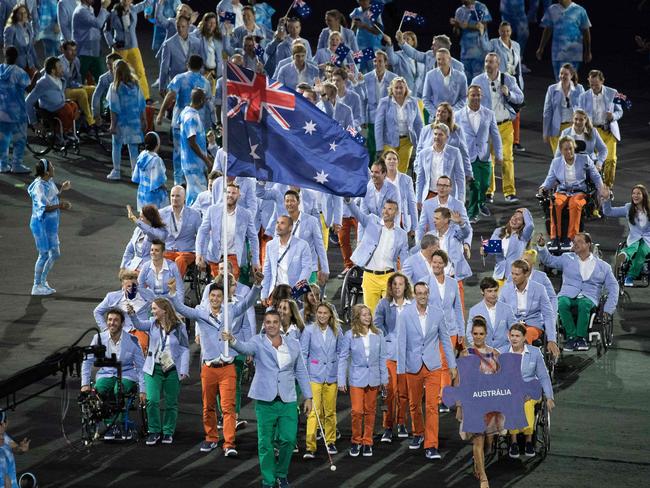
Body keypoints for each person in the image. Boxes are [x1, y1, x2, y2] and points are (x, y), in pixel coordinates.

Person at [168, 270, 261, 455]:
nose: (216, 298)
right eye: (213, 295)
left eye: (219, 296)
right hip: (208, 367)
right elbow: (182, 309)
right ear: (209, 296)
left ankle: (229, 443)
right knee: (208, 406)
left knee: (228, 408)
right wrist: (172, 294)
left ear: (223, 298)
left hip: (227, 367)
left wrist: (257, 286)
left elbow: (247, 302)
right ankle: (211, 438)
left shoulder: (230, 310)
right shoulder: (201, 313)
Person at [223, 309, 313, 488]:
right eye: (268, 322)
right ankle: (268, 480)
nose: (271, 325)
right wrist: (232, 340)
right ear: (264, 324)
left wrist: (308, 396)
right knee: (265, 443)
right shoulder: (257, 342)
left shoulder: (293, 344)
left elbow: (301, 371)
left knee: (288, 439)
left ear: (280, 324)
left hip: (287, 399)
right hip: (265, 400)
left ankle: (281, 474)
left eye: (275, 322)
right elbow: (244, 348)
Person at [397, 281, 457, 459]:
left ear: (428, 294)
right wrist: (400, 370)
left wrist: (452, 365)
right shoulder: (405, 315)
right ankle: (418, 433)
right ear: (414, 294)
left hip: (433, 366)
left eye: (425, 293)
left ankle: (431, 445)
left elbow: (445, 341)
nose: (422, 296)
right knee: (414, 404)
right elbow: (401, 343)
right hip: (412, 365)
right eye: (419, 293)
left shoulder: (438, 314)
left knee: (432, 406)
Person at [537, 232, 618, 351]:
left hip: (589, 297)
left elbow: (614, 287)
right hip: (567, 294)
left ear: (588, 244)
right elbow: (549, 261)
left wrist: (608, 309)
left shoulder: (603, 266)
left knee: (584, 304)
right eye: (574, 242)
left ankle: (581, 338)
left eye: (579, 242)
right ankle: (571, 337)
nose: (575, 244)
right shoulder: (567, 258)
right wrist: (542, 247)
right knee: (561, 302)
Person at [126, 298, 189, 446]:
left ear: (164, 310)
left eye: (154, 309)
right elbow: (138, 325)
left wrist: (184, 369)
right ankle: (154, 431)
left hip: (172, 368)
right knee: (152, 400)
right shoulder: (152, 324)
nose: (152, 311)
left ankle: (168, 431)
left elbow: (185, 348)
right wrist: (132, 314)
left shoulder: (179, 327)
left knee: (171, 402)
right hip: (153, 368)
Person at [80, 308, 146, 440]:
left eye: (116, 320)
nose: (112, 323)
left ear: (122, 323)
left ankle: (118, 424)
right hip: (106, 374)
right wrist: (85, 384)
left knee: (118, 390)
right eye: (110, 320)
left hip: (127, 374)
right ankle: (109, 424)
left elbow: (141, 367)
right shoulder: (98, 338)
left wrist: (143, 390)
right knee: (100, 389)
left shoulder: (132, 340)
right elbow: (87, 362)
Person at [456, 317, 505, 488]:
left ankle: (478, 464)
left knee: (488, 444)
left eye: (481, 334)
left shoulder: (495, 354)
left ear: (486, 334)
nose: (478, 337)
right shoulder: (465, 354)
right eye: (475, 334)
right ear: (471, 334)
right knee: (478, 439)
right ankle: (483, 477)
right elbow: (459, 382)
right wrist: (460, 405)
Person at [471, 52, 524, 204]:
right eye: (486, 61)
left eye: (491, 62)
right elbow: (471, 100)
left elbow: (520, 97)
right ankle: (489, 191)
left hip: (505, 125)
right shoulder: (477, 80)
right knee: (488, 159)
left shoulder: (508, 79)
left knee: (507, 158)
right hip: (486, 127)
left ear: (498, 64)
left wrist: (509, 93)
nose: (488, 64)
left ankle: (509, 191)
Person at [338, 304, 388, 457]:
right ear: (357, 317)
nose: (367, 317)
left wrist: (384, 378)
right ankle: (356, 440)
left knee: (370, 411)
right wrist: (341, 379)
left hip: (373, 378)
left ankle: (367, 442)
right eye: (364, 314)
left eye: (369, 314)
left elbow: (382, 358)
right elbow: (343, 358)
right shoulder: (350, 335)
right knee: (357, 411)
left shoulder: (378, 334)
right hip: (356, 378)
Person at [539, 135, 605, 250]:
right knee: (555, 204)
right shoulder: (556, 162)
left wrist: (602, 189)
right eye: (566, 149)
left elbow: (595, 176)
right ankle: (555, 238)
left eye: (570, 148)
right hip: (562, 191)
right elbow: (550, 179)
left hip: (579, 191)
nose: (569, 151)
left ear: (574, 148)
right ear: (561, 150)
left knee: (575, 204)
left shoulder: (584, 159)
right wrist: (543, 187)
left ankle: (570, 239)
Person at [345, 197, 409, 314]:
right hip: (370, 276)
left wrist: (405, 279)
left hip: (389, 277)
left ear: (396, 212)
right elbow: (357, 213)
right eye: (384, 208)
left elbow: (405, 260)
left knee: (389, 314)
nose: (385, 211)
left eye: (389, 209)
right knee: (370, 315)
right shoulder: (371, 221)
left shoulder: (402, 234)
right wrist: (349, 201)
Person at [500, 322, 555, 458]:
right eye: (512, 335)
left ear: (524, 337)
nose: (514, 338)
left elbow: (543, 376)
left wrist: (549, 397)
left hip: (531, 389)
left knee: (528, 402)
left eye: (517, 336)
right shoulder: (502, 352)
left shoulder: (535, 353)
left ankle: (529, 441)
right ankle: (513, 442)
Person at [158, 55, 213, 186]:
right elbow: (208, 103)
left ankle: (179, 181)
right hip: (198, 123)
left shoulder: (179, 79)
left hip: (180, 122)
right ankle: (195, 180)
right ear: (201, 67)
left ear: (187, 64)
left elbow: (170, 96)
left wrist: (160, 113)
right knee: (197, 150)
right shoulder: (205, 82)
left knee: (178, 151)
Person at [255, 187, 328, 285]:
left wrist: (325, 268)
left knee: (308, 298)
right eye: (287, 201)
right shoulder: (278, 192)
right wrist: (261, 182)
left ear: (298, 202)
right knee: (287, 299)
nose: (289, 204)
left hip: (308, 267)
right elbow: (260, 193)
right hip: (285, 268)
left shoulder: (311, 217)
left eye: (292, 201)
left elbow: (319, 245)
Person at [300, 302, 342, 459]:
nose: (322, 315)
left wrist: (337, 369)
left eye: (325, 313)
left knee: (330, 411)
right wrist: (305, 375)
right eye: (320, 312)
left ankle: (330, 441)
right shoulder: (309, 331)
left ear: (330, 314)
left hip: (331, 376)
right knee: (313, 412)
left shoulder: (337, 331)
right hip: (314, 376)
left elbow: (341, 352)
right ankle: (310, 446)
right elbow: (304, 353)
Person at [374, 273, 413, 442]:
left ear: (406, 286)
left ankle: (402, 423)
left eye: (401, 284)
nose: (397, 287)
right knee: (389, 392)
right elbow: (376, 324)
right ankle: (388, 426)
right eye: (395, 284)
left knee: (404, 393)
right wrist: (386, 338)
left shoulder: (412, 305)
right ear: (391, 286)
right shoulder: (383, 304)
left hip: (407, 355)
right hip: (389, 354)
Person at [454, 85, 502, 221]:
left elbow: (496, 135)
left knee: (485, 184)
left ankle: (481, 203)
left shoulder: (489, 114)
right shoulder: (458, 115)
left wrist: (499, 154)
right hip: (468, 156)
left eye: (477, 95)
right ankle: (472, 213)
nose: (475, 98)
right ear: (467, 97)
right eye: (472, 95)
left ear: (481, 97)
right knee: (475, 185)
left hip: (485, 155)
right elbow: (455, 135)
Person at [196, 182, 259, 281]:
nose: (230, 195)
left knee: (230, 285)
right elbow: (202, 232)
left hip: (234, 256)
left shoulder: (246, 214)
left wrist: (255, 261)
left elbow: (253, 238)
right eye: (228, 192)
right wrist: (199, 254)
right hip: (216, 256)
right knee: (217, 287)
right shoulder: (212, 210)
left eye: (233, 193)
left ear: (239, 196)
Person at [480, 20, 526, 152]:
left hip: (514, 78)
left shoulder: (516, 45)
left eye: (508, 31)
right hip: (501, 78)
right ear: (499, 31)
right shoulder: (495, 43)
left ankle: (515, 141)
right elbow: (484, 47)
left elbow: (517, 63)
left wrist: (519, 80)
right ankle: (497, 137)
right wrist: (482, 32)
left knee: (517, 109)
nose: (505, 33)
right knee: (502, 107)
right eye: (503, 31)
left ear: (511, 31)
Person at [27, 159, 71, 296]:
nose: (53, 167)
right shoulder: (38, 186)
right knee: (44, 254)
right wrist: (61, 205)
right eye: (51, 166)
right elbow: (44, 207)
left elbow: (52, 196)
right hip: (40, 226)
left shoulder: (49, 181)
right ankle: (36, 285)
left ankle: (43, 281)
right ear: (46, 171)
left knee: (55, 253)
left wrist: (62, 189)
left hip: (50, 226)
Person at [499, 259, 559, 358]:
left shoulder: (539, 289)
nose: (513, 277)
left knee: (522, 337)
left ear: (526, 274)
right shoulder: (506, 289)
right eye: (512, 273)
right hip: (513, 325)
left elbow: (548, 315)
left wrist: (552, 339)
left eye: (517, 274)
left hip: (533, 325)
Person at [577, 70, 623, 188]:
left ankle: (607, 187)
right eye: (591, 84)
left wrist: (613, 116)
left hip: (608, 131)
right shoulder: (583, 96)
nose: (593, 87)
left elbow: (620, 111)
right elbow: (578, 113)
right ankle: (595, 187)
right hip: (591, 133)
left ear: (602, 81)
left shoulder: (613, 92)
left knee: (610, 160)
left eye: (596, 84)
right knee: (593, 162)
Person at [93, 269, 156, 351]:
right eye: (128, 286)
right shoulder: (112, 297)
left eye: (134, 285)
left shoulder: (148, 294)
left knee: (140, 348)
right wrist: (105, 329)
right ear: (123, 286)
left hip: (142, 330)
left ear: (137, 284)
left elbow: (159, 308)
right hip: (122, 330)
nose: (132, 288)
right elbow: (97, 312)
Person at [103, 0, 153, 99]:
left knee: (139, 71)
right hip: (120, 48)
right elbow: (106, 30)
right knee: (117, 73)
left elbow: (146, 3)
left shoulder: (133, 9)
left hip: (133, 46)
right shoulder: (114, 13)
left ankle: (145, 97)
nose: (126, 1)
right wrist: (112, 43)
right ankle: (115, 96)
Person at [603, 185, 650, 287]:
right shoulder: (628, 208)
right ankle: (623, 256)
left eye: (638, 193)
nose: (635, 196)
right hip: (634, 238)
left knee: (641, 251)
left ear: (644, 196)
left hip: (648, 240)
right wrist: (606, 199)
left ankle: (630, 276)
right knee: (633, 247)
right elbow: (608, 212)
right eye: (633, 193)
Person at [374, 77, 423, 174]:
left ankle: (399, 189)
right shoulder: (384, 102)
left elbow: (419, 124)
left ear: (406, 89)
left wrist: (422, 143)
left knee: (402, 170)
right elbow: (378, 125)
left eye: (401, 87)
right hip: (388, 142)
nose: (399, 90)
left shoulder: (413, 102)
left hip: (407, 142)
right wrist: (379, 147)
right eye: (396, 88)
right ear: (391, 89)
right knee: (389, 169)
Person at [107, 59, 146, 180]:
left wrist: (112, 125)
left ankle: (116, 170)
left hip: (121, 122)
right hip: (134, 122)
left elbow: (114, 108)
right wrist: (144, 119)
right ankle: (135, 172)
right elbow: (142, 104)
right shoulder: (136, 85)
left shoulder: (114, 87)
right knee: (133, 147)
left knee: (117, 145)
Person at [260, 215, 312, 302]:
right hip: (275, 293)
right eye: (277, 223)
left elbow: (306, 269)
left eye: (282, 223)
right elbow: (267, 270)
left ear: (290, 228)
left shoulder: (302, 245)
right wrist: (264, 293)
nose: (278, 225)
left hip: (293, 293)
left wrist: (296, 292)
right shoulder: (270, 245)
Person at [418, 103, 472, 184]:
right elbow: (419, 151)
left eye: (443, 112)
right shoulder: (426, 130)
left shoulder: (457, 131)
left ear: (449, 115)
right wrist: (417, 168)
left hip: (450, 174)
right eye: (438, 111)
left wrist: (468, 172)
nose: (440, 113)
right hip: (430, 172)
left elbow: (464, 153)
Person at [357, 50, 397, 163]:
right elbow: (363, 100)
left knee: (386, 148)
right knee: (372, 148)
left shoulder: (394, 78)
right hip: (372, 118)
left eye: (380, 61)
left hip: (388, 119)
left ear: (386, 63)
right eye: (375, 61)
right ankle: (371, 173)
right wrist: (363, 119)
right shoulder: (366, 77)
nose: (377, 63)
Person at [25, 56, 79, 136]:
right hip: (49, 109)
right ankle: (57, 134)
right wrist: (34, 122)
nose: (62, 68)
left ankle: (67, 130)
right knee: (67, 109)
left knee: (74, 106)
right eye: (60, 67)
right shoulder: (42, 83)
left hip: (62, 105)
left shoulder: (61, 79)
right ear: (53, 70)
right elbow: (28, 102)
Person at [536, 0, 592, 79]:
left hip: (574, 54)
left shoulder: (580, 10)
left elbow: (586, 32)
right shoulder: (552, 9)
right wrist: (541, 48)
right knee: (559, 81)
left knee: (571, 82)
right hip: (557, 53)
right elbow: (547, 30)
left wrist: (588, 51)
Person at [415, 123, 466, 205]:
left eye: (440, 135)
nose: (437, 137)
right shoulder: (423, 154)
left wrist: (461, 199)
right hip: (429, 195)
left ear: (447, 138)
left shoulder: (455, 152)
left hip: (448, 196)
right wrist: (418, 198)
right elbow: (420, 178)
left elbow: (460, 177)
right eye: (435, 134)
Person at [0, 45, 31, 174]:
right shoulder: (19, 72)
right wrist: (35, 78)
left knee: (3, 139)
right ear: (17, 57)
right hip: (17, 112)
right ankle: (17, 164)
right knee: (20, 139)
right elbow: (28, 87)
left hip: (1, 111)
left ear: (4, 54)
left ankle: (3, 165)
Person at [159, 185, 202, 277]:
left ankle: (174, 286)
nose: (174, 198)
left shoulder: (195, 215)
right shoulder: (161, 213)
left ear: (184, 197)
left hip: (187, 251)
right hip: (168, 250)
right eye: (172, 195)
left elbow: (201, 236)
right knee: (159, 260)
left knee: (180, 260)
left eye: (178, 196)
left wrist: (200, 254)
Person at [483, 207, 534, 284]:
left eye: (519, 219)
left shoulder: (523, 236)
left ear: (523, 224)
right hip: (498, 275)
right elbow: (492, 252)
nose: (515, 219)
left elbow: (530, 225)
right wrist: (485, 251)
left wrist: (525, 210)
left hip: (513, 277)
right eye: (514, 216)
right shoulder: (499, 231)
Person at [416, 175, 471, 244]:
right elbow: (421, 227)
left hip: (454, 245)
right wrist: (419, 243)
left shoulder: (459, 205)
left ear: (450, 188)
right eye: (439, 185)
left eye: (445, 186)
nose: (442, 188)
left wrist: (467, 244)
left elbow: (467, 228)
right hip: (433, 245)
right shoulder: (427, 204)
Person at [179, 88, 212, 205]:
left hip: (192, 162)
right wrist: (205, 159)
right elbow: (191, 142)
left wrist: (206, 155)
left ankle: (186, 218)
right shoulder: (190, 117)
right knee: (199, 196)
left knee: (191, 193)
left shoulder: (186, 112)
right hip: (192, 163)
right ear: (202, 100)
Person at [542, 63, 585, 153]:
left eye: (566, 74)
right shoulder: (552, 89)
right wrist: (545, 132)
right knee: (558, 158)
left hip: (573, 128)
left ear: (571, 75)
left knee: (571, 157)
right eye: (561, 73)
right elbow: (547, 112)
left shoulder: (579, 89)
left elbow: (584, 110)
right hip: (556, 129)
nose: (562, 76)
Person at [466, 277, 516, 349]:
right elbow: (469, 332)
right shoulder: (474, 310)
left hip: (504, 350)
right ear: (482, 291)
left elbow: (514, 329)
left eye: (495, 291)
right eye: (490, 291)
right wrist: (478, 347)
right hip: (483, 351)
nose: (493, 294)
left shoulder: (507, 309)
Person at [59, 40, 97, 130]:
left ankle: (92, 115)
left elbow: (77, 77)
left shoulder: (76, 60)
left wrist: (80, 85)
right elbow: (65, 80)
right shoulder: (59, 62)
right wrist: (78, 86)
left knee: (93, 89)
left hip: (73, 86)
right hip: (62, 89)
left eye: (75, 50)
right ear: (63, 51)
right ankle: (90, 121)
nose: (73, 53)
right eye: (70, 50)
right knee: (81, 92)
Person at [157, 16, 194, 110]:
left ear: (188, 26)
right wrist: (162, 85)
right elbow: (164, 66)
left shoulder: (196, 42)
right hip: (176, 84)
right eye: (178, 27)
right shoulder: (168, 44)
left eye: (183, 26)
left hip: (192, 83)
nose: (180, 29)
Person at [450, 0, 492, 81]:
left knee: (480, 79)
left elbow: (483, 26)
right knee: (466, 78)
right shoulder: (459, 10)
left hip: (479, 50)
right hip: (465, 51)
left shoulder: (481, 7)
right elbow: (456, 33)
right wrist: (456, 26)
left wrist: (466, 26)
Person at [72, 0, 111, 84]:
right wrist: (103, 7)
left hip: (92, 51)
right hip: (83, 53)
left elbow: (93, 29)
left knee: (102, 80)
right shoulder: (81, 11)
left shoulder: (89, 9)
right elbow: (98, 24)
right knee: (79, 82)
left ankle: (101, 97)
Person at [121, 203, 168, 271]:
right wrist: (123, 267)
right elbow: (129, 250)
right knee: (126, 278)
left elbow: (150, 232)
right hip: (134, 266)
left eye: (142, 217)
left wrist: (135, 220)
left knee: (130, 280)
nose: (140, 219)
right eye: (139, 217)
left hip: (150, 268)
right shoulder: (138, 230)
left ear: (149, 218)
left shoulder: (160, 232)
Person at [190, 11, 233, 85]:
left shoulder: (218, 38)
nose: (212, 25)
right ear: (205, 23)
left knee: (215, 95)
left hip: (217, 73)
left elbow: (227, 48)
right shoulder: (198, 35)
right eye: (210, 22)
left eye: (214, 23)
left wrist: (227, 33)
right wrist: (191, 23)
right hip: (203, 72)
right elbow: (189, 37)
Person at [382, 150, 417, 238]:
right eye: (389, 159)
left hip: (402, 220)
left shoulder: (407, 180)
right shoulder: (380, 179)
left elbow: (412, 203)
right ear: (384, 161)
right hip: (384, 220)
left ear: (398, 162)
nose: (392, 161)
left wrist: (415, 226)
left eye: (394, 159)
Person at [422, 48, 468, 115]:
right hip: (435, 118)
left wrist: (451, 112)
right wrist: (437, 114)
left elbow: (464, 98)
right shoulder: (430, 75)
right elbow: (426, 99)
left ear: (449, 59)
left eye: (443, 59)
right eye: (438, 59)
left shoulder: (461, 77)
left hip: (455, 117)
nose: (440, 61)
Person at [382, 32, 426, 98]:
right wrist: (389, 44)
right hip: (402, 94)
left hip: (418, 96)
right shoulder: (399, 55)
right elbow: (391, 60)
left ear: (413, 42)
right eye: (403, 38)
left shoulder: (420, 56)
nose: (404, 41)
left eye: (407, 39)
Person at [132, 132, 167, 211]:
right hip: (153, 195)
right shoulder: (156, 160)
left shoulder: (141, 155)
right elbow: (159, 180)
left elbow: (136, 176)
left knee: (143, 216)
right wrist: (165, 187)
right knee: (155, 218)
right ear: (157, 144)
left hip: (142, 192)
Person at [3, 4, 38, 72]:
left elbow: (31, 48)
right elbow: (8, 51)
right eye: (20, 13)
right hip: (17, 66)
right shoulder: (10, 29)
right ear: (15, 14)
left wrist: (36, 63)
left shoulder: (29, 26)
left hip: (30, 64)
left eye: (24, 13)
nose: (23, 15)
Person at [349, 0, 382, 72]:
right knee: (360, 72)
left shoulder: (374, 11)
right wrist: (354, 26)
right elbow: (352, 30)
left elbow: (379, 31)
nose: (364, 1)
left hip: (373, 47)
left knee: (373, 72)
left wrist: (365, 26)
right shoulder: (356, 11)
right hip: (359, 47)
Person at [92, 52, 122, 126]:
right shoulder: (103, 78)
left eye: (110, 64)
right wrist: (96, 114)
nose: (108, 67)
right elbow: (96, 96)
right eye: (107, 64)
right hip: (112, 106)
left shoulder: (127, 76)